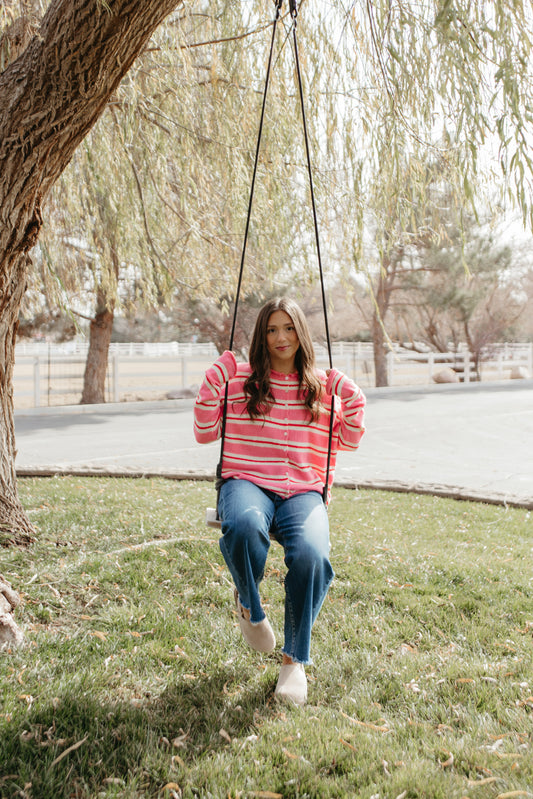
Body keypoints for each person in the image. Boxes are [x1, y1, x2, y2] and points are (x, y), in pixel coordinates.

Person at [194, 297, 366, 705]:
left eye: (288, 328)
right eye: (271, 329)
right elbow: (204, 432)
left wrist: (353, 397)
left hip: (304, 491)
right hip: (247, 481)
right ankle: (249, 605)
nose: (280, 337)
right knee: (245, 525)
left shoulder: (321, 388)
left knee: (312, 555)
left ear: (301, 333)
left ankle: (293, 659)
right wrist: (212, 380)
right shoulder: (241, 381)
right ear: (261, 335)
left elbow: (352, 439)